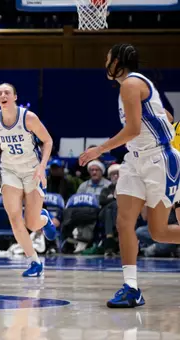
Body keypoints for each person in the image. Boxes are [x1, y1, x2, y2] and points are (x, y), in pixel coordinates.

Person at [80, 43, 180, 308]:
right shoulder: (134, 86)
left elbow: (134, 129)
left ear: (118, 63)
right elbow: (166, 115)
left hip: (159, 160)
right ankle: (131, 287)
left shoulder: (130, 85)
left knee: (159, 232)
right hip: (135, 161)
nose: (105, 62)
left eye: (108, 58)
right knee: (124, 222)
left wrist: (99, 149)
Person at [0, 83, 57, 278]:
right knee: (15, 218)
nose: (3, 95)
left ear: (15, 96)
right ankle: (34, 261)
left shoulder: (28, 117)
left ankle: (44, 219)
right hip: (9, 170)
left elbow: (48, 141)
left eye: (7, 92)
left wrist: (42, 166)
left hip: (32, 170)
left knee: (32, 224)